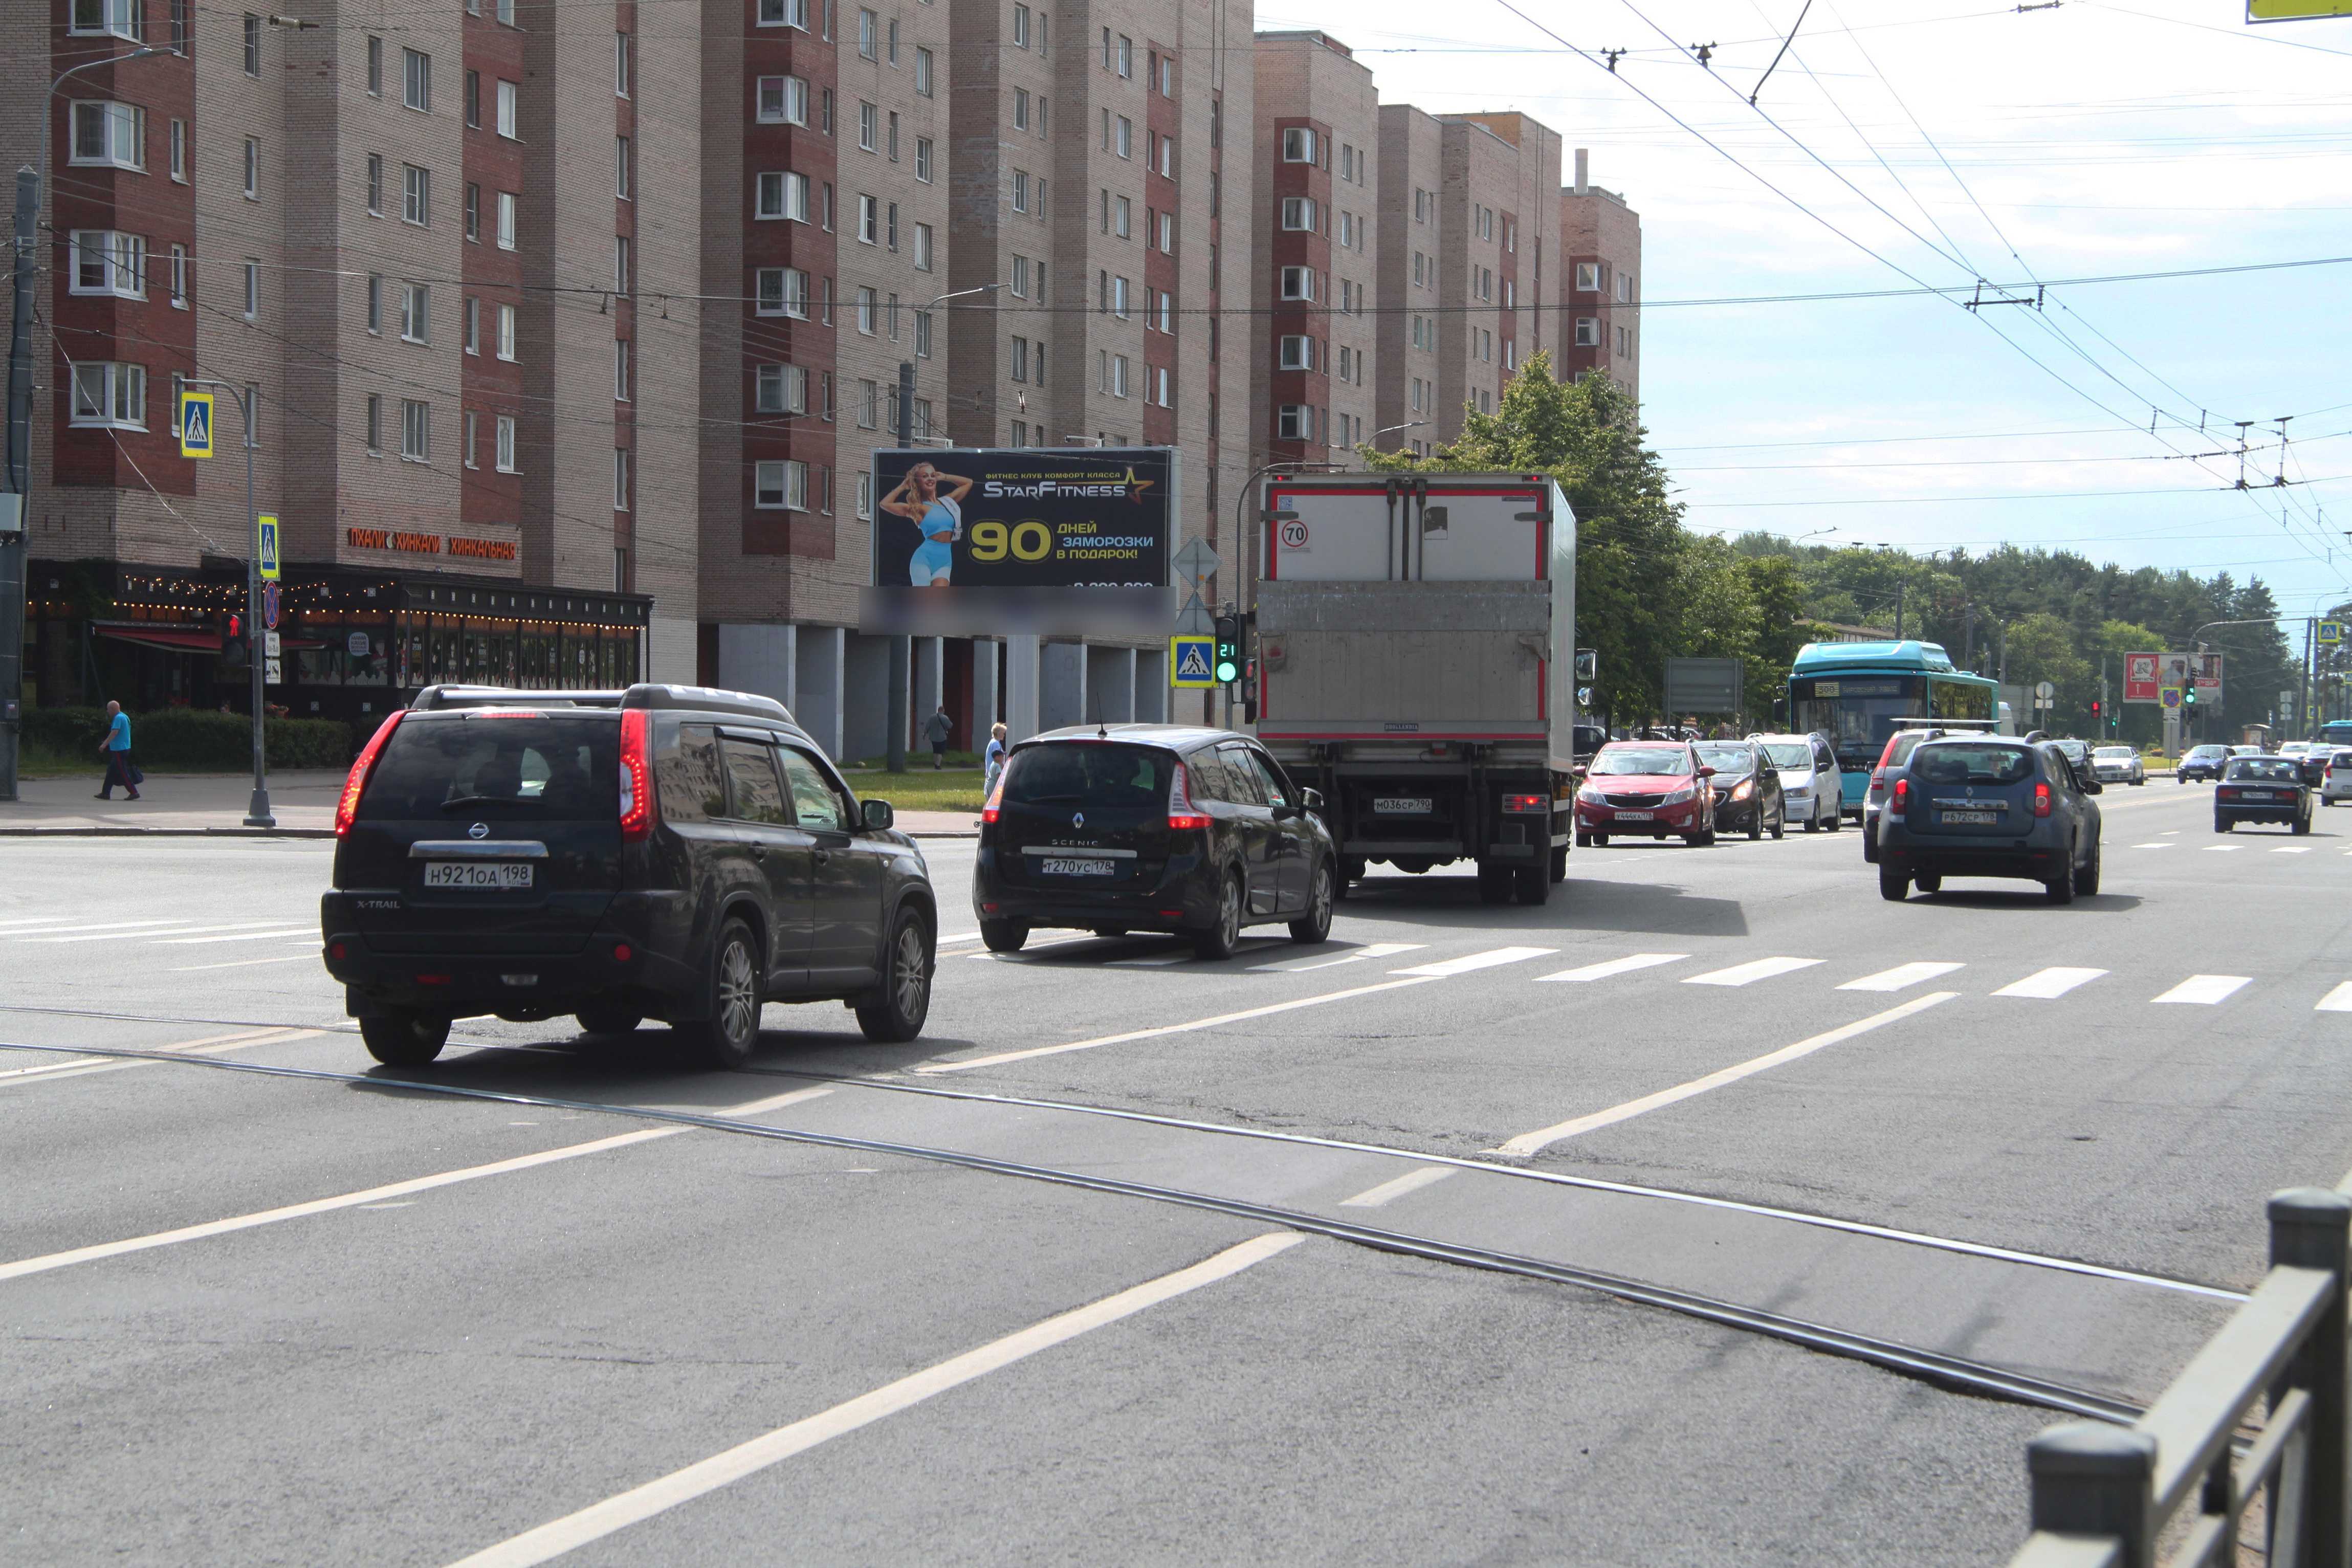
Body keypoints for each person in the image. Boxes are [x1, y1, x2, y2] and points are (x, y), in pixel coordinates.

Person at [878, 462, 975, 589]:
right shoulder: (918, 509)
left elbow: (968, 483)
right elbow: (884, 504)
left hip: (945, 560)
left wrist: (945, 477)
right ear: (918, 482)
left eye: (932, 475)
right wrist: (903, 486)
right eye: (925, 476)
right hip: (924, 558)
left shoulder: (948, 502)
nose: (930, 479)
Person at [95, 700, 139, 800]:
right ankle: (105, 793)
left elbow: (114, 732)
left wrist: (104, 744)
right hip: (123, 748)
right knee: (111, 771)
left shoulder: (118, 718)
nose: (108, 711)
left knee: (123, 772)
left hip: (120, 749)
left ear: (112, 709)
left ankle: (134, 792)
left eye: (108, 709)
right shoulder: (124, 716)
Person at [924, 703, 954, 769]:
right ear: (943, 711)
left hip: (933, 737)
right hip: (942, 738)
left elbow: (927, 726)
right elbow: (950, 726)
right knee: (940, 752)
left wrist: (925, 733)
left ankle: (935, 764)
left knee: (935, 751)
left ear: (938, 710)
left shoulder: (932, 717)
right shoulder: (945, 717)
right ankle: (938, 765)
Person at [982, 722, 1008, 796]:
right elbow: (998, 759)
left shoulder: (993, 742)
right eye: (1003, 733)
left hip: (991, 775)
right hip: (994, 775)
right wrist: (1005, 769)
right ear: (998, 733)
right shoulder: (996, 744)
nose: (1004, 735)